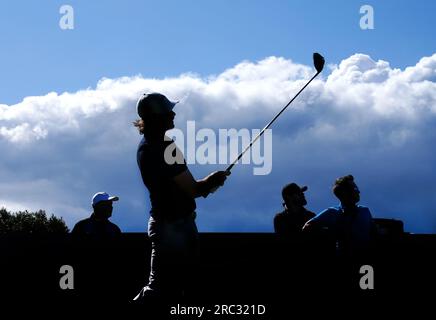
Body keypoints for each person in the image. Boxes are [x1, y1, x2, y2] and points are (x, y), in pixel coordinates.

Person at [132, 93, 229, 301]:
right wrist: (214, 179)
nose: (173, 114)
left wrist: (210, 184)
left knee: (168, 287)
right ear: (158, 117)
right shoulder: (164, 147)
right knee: (162, 289)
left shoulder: (147, 145)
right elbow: (194, 190)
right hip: (173, 227)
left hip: (168, 224)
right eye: (169, 111)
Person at [303, 175, 374, 255]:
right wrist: (332, 233)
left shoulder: (365, 211)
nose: (358, 191)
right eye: (355, 188)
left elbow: (374, 234)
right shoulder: (332, 212)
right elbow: (307, 227)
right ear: (344, 192)